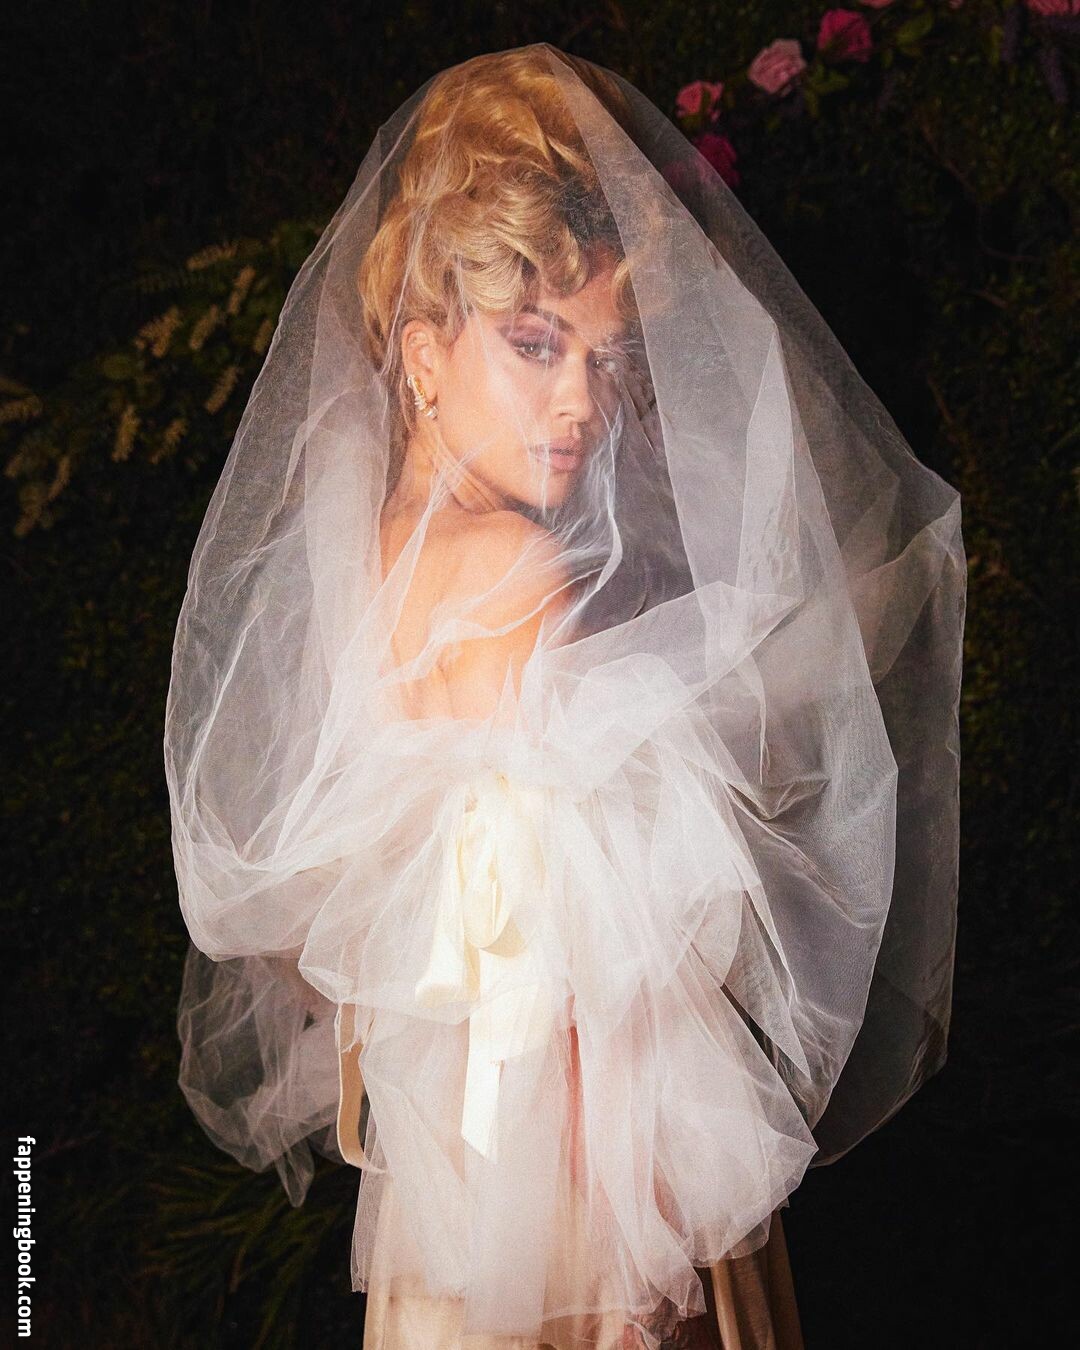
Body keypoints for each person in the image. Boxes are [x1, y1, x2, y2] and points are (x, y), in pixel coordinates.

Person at [166, 44, 966, 1350]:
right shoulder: (516, 572)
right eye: (535, 345)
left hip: (459, 1194)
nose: (582, 402)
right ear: (423, 355)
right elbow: (583, 996)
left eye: (604, 355)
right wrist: (641, 1286)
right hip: (576, 1217)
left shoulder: (374, 554)